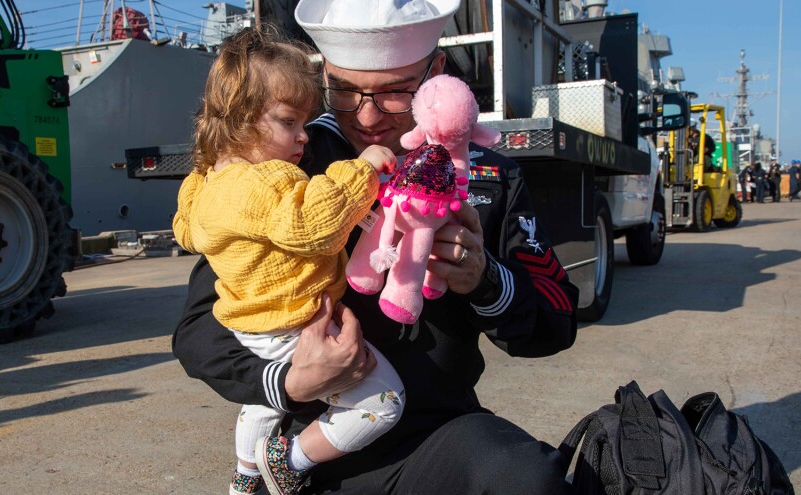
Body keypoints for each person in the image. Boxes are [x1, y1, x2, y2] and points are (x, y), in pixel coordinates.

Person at [171, 1, 579, 494]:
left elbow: (557, 321)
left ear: (436, 73)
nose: (366, 117)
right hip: (307, 445)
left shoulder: (488, 176)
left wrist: (482, 277)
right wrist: (289, 383)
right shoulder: (282, 164)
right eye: (344, 91)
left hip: (437, 435)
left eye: (394, 92)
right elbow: (197, 329)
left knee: (530, 480)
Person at [172, 28, 406, 495]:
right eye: (287, 122)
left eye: (306, 123)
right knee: (384, 401)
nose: (303, 137)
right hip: (293, 324)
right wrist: (362, 170)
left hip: (250, 327)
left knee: (265, 402)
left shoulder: (203, 184)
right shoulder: (264, 182)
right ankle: (290, 461)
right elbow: (313, 224)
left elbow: (187, 231)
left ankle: (246, 476)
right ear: (239, 119)